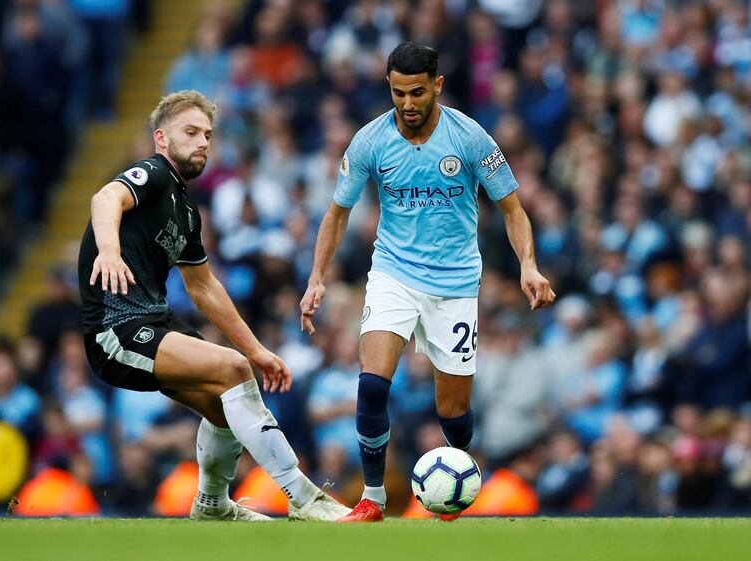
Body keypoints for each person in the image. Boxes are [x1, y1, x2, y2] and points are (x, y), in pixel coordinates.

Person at [300, 43, 556, 522]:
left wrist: (528, 265)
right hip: (393, 274)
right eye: (398, 93)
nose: (407, 104)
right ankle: (372, 500)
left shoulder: (471, 138)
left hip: (456, 284)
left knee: (453, 417)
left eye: (417, 92)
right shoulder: (370, 142)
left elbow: (512, 208)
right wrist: (317, 277)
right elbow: (337, 214)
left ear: (437, 85)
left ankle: (455, 495)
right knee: (372, 387)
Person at [78, 90, 349, 522]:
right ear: (162, 138)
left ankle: (213, 506)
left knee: (228, 406)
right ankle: (304, 496)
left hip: (153, 320)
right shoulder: (153, 173)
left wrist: (257, 350)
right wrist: (108, 250)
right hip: (118, 328)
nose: (203, 141)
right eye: (190, 132)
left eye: (207, 134)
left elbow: (204, 288)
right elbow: (105, 198)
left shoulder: (186, 211)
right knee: (234, 371)